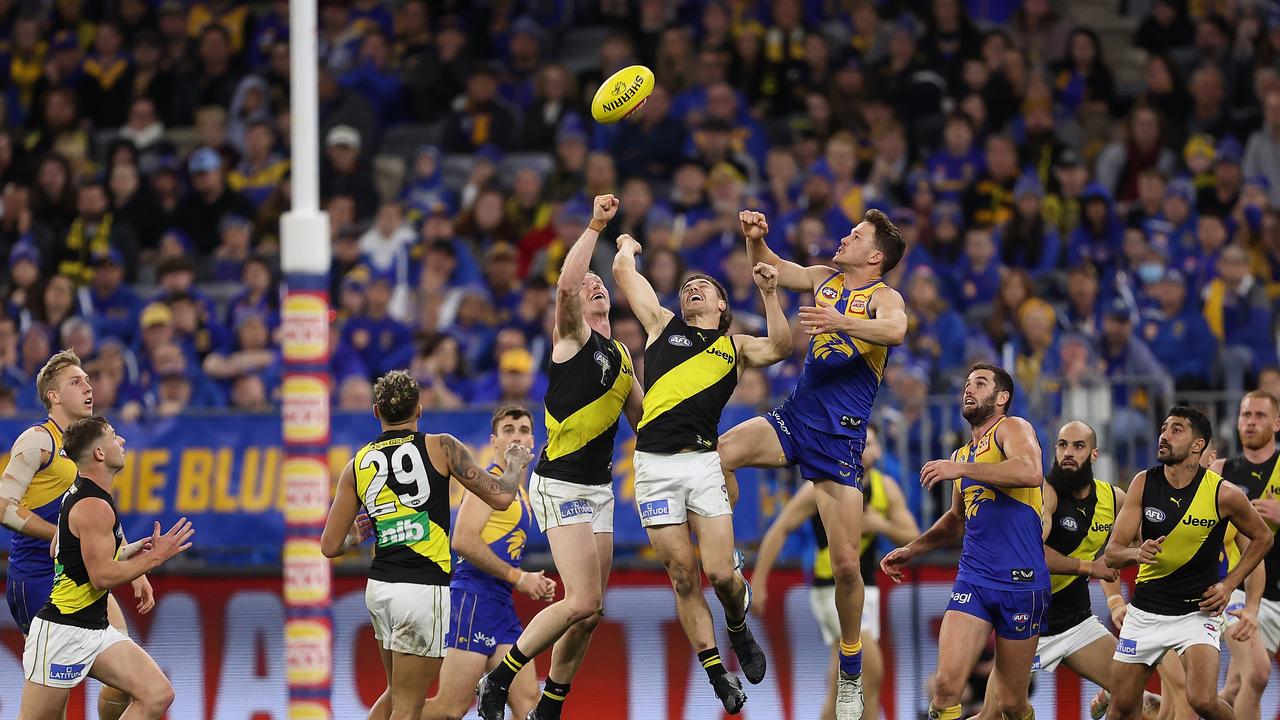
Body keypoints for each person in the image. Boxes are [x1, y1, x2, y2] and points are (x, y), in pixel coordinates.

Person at [717, 208, 907, 720]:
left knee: (848, 566)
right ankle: (725, 553)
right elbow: (774, 268)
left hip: (840, 441)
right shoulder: (825, 279)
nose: (844, 237)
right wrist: (755, 241)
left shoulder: (884, 297)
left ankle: (850, 669)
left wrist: (840, 321)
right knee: (719, 457)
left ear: (875, 256)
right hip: (795, 419)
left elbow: (896, 332)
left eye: (856, 235)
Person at [476, 195, 643, 720]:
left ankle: (550, 703)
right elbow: (567, 285)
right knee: (581, 601)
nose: (595, 283)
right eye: (591, 283)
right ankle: (501, 679)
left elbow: (649, 427)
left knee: (591, 614)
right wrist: (596, 225)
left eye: (603, 283)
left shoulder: (620, 359)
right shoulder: (572, 337)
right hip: (561, 484)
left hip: (598, 491)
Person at [611, 231, 792, 712]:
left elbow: (781, 346)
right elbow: (624, 275)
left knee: (721, 574)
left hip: (701, 462)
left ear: (722, 303)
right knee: (682, 575)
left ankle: (737, 624)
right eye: (688, 286)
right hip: (652, 465)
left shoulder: (735, 347)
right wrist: (628, 245)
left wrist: (772, 293)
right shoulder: (661, 326)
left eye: (703, 286)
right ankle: (717, 677)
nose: (692, 288)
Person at [320, 370, 532, 720]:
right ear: (419, 409)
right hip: (422, 590)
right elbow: (502, 496)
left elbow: (329, 546)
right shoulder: (441, 446)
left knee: (395, 694)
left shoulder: (356, 464)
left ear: (376, 412)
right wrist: (513, 466)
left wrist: (355, 537)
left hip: (380, 590)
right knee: (408, 708)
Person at [881, 364, 1049, 720]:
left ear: (1002, 398)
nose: (968, 389)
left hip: (1021, 582)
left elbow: (1031, 471)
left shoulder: (1012, 428)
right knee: (944, 688)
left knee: (1011, 703)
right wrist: (913, 548)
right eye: (966, 383)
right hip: (974, 578)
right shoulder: (960, 456)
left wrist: (962, 470)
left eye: (980, 383)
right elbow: (956, 520)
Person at [973, 421, 1156, 719]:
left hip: (1077, 624)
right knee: (995, 714)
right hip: (1028, 627)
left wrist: (1117, 597)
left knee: (1130, 694)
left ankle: (1109, 696)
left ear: (1094, 455)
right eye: (1062, 445)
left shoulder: (1114, 499)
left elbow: (1120, 553)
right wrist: (1088, 568)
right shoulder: (1043, 492)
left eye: (1078, 446)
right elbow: (1030, 553)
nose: (1068, 452)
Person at [1103, 406, 1274, 720]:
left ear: (1198, 446)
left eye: (1176, 429)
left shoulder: (1224, 494)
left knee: (1202, 700)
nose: (1164, 435)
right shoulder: (1143, 482)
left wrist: (1229, 584)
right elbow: (1112, 552)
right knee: (1120, 708)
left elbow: (1263, 539)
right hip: (1144, 614)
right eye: (1164, 428)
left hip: (1196, 614)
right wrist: (1135, 553)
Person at [19, 416, 194, 719]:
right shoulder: (93, 505)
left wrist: (128, 549)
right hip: (62, 633)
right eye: (114, 436)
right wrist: (154, 558)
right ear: (99, 453)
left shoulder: (82, 493)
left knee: (157, 693)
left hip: (95, 629)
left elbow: (60, 551)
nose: (122, 441)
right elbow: (100, 577)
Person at [0, 350, 144, 719]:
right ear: (54, 395)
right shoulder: (37, 441)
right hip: (37, 578)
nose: (88, 386)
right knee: (53, 703)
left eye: (88, 380)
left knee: (128, 680)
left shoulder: (88, 448)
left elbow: (99, 513)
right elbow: (2, 506)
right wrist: (58, 533)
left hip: (79, 577)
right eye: (76, 381)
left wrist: (135, 565)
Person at [750, 424, 919, 720]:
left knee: (842, 680)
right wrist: (760, 581)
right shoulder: (824, 484)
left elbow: (913, 537)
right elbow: (780, 529)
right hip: (831, 587)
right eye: (860, 442)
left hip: (868, 588)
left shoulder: (885, 488)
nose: (864, 448)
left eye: (870, 443)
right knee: (871, 668)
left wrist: (883, 526)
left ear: (878, 451)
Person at [423, 405, 556, 720]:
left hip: (500, 603)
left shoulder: (521, 492)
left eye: (523, 430)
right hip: (473, 598)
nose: (516, 437)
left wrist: (528, 579)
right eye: (508, 431)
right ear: (493, 441)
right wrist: (518, 577)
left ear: (533, 442)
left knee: (528, 703)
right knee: (450, 709)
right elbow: (463, 541)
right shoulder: (491, 482)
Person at [1208, 391, 1280, 720]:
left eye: (1260, 415)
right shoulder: (1221, 470)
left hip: (1277, 593)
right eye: (1245, 415)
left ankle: (1171, 709)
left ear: (1276, 423)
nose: (1251, 422)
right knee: (1258, 674)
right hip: (1240, 591)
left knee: (1235, 686)